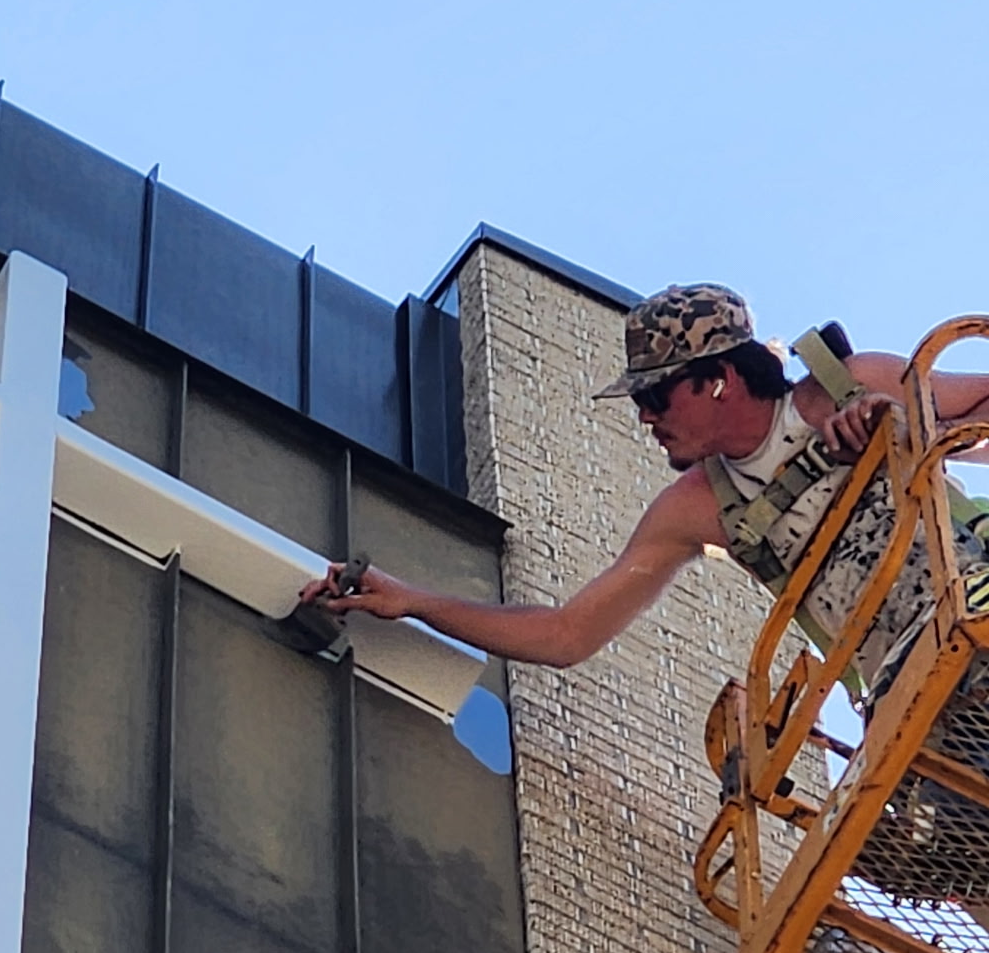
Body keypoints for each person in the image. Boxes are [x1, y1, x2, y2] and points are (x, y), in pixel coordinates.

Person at [301, 283, 989, 695]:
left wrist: (907, 427)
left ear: (717, 379)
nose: (646, 417)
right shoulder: (697, 510)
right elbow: (567, 633)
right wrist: (413, 601)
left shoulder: (849, 382)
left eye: (657, 394)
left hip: (976, 599)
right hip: (915, 684)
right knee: (932, 839)